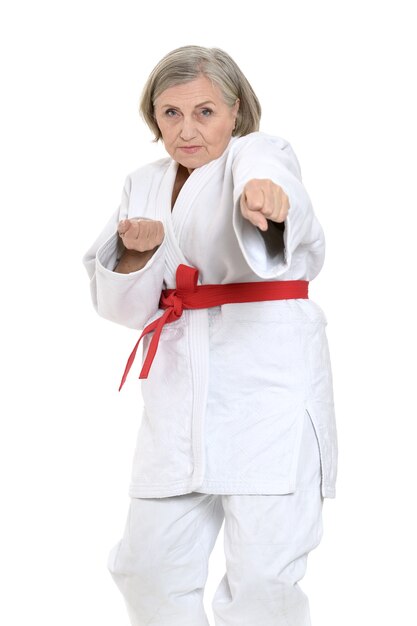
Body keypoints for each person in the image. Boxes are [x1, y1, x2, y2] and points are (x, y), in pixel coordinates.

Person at [82, 45, 337, 626]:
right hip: (178, 394)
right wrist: (134, 255)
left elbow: (271, 181)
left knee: (265, 580)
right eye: (170, 113)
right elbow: (121, 307)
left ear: (236, 111)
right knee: (145, 569)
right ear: (153, 118)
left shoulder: (258, 153)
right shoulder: (142, 183)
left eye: (205, 112)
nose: (186, 129)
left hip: (267, 393)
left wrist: (267, 202)